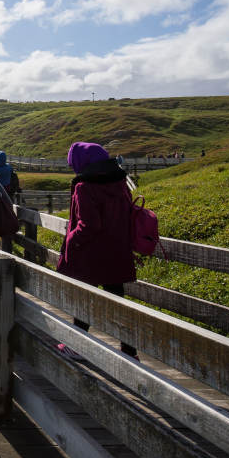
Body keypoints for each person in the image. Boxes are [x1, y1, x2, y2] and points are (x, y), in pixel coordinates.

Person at [56, 142, 138, 359]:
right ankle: (130, 352)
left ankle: (77, 346)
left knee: (84, 301)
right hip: (117, 251)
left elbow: (89, 224)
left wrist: (71, 241)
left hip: (91, 254)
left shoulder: (85, 187)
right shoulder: (121, 182)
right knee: (117, 303)